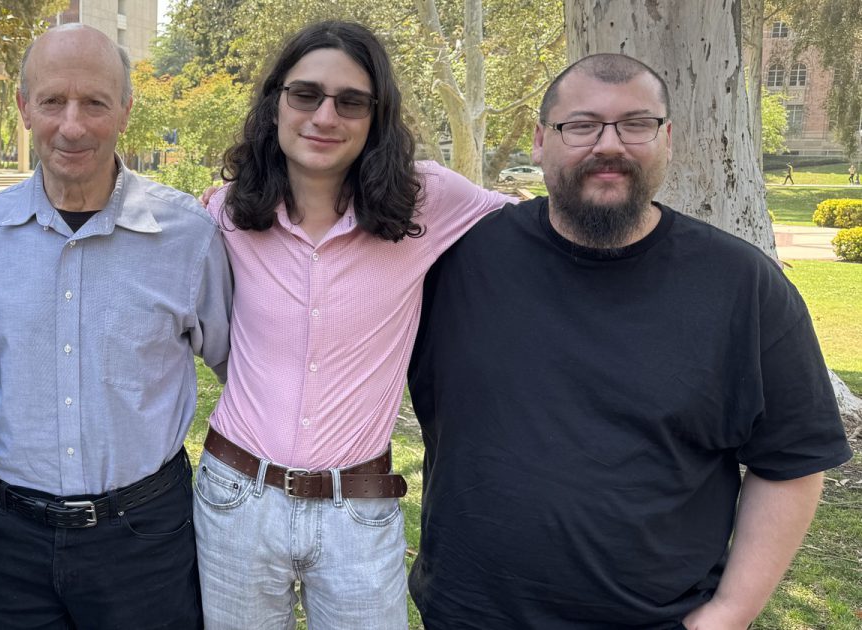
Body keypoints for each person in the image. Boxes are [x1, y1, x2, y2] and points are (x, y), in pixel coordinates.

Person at [408, 53, 853, 629]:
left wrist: (731, 614)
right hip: (468, 614)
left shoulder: (741, 285)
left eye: (636, 124)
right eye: (582, 125)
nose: (609, 145)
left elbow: (792, 463)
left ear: (667, 139)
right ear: (541, 140)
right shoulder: (459, 259)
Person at [193, 20, 515, 629]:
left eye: (351, 102)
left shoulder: (429, 200)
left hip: (359, 510)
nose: (324, 116)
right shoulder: (226, 211)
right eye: (305, 94)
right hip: (234, 497)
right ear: (276, 103)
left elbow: (533, 235)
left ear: (377, 115)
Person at [0, 23, 231, 629]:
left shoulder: (187, 237)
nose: (71, 125)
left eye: (95, 102)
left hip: (145, 538)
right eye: (52, 101)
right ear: (23, 108)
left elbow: (242, 368)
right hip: (10, 539)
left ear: (126, 109)